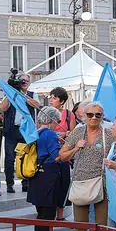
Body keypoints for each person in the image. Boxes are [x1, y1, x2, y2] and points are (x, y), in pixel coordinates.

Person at [59, 101, 110, 231]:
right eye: (90, 115)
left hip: (102, 184)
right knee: (80, 226)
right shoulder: (77, 132)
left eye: (98, 115)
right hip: (81, 182)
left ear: (102, 117)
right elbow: (63, 155)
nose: (94, 118)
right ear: (83, 116)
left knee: (101, 227)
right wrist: (75, 150)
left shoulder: (107, 134)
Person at [28, 107, 65, 231]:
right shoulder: (50, 134)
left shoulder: (36, 133)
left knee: (41, 213)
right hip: (49, 176)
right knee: (48, 214)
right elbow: (57, 157)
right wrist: (73, 148)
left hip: (36, 175)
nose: (57, 124)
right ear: (52, 120)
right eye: (57, 121)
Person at [0, 71, 40, 193]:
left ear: (29, 83)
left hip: (26, 131)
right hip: (12, 130)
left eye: (26, 81)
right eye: (21, 81)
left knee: (26, 157)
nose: (24, 83)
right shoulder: (11, 93)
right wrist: (10, 91)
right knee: (10, 158)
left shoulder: (32, 94)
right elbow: (2, 108)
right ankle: (9, 184)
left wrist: (23, 94)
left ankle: (25, 183)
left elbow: (37, 106)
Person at [49, 87, 76, 221]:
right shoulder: (45, 113)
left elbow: (73, 133)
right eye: (51, 97)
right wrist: (55, 134)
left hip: (64, 152)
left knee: (63, 183)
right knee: (51, 183)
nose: (51, 100)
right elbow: (39, 130)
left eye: (54, 98)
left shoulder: (69, 114)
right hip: (50, 152)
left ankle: (60, 213)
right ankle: (50, 212)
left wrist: (66, 134)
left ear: (62, 101)